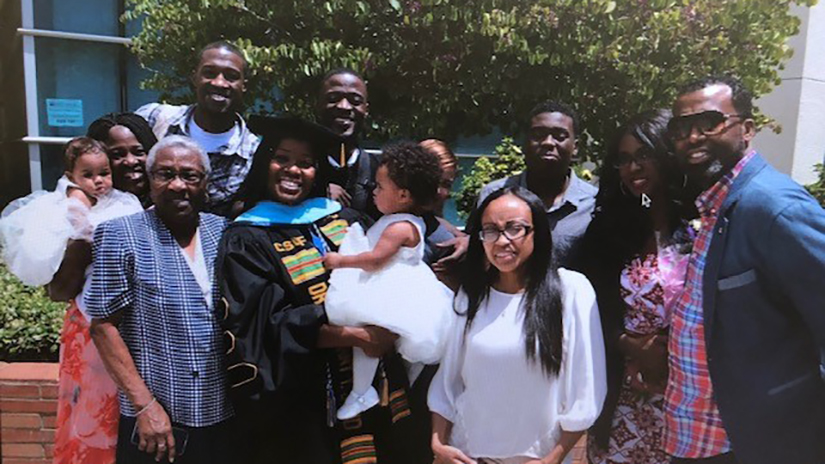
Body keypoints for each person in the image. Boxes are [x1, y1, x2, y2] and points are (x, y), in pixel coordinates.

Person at [217, 116, 427, 463]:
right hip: (308, 396)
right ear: (263, 162)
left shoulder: (346, 219)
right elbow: (262, 326)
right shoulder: (247, 238)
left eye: (305, 163)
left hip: (378, 381)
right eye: (282, 158)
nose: (293, 170)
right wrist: (357, 336)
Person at [665, 75, 825, 464]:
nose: (693, 136)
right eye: (682, 128)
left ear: (748, 129)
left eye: (709, 123)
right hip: (696, 439)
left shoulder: (774, 208)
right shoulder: (718, 205)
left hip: (753, 444)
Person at [428, 186, 606, 464]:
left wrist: (554, 458)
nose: (501, 241)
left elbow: (586, 389)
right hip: (469, 455)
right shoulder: (472, 295)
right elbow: (448, 382)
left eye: (515, 229)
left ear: (538, 233)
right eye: (490, 230)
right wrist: (439, 444)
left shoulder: (571, 291)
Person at [86, 136, 233, 464]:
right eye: (165, 174)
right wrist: (145, 406)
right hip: (158, 420)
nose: (178, 185)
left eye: (190, 176)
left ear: (205, 183)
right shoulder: (120, 234)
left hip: (223, 414)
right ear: (149, 181)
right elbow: (103, 326)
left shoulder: (224, 232)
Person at [0, 137, 144, 464]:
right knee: (87, 407)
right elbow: (59, 278)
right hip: (88, 321)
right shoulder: (69, 206)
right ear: (71, 175)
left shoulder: (123, 203)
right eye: (88, 175)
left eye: (104, 173)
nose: (99, 181)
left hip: (122, 323)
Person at [582, 110, 695, 464]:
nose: (633, 168)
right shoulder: (607, 232)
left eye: (644, 155)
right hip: (624, 396)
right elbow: (588, 309)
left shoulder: (700, 226)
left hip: (688, 392)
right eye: (625, 160)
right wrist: (631, 346)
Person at [323, 141, 455, 420]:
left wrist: (340, 261)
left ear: (403, 195)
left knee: (374, 334)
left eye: (380, 187)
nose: (373, 191)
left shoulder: (400, 227)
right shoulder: (401, 220)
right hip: (389, 286)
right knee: (372, 339)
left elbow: (374, 260)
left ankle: (363, 392)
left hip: (394, 291)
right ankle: (364, 391)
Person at [136, 41, 259, 217]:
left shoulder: (253, 154)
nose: (219, 83)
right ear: (194, 78)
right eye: (209, 73)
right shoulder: (154, 119)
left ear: (244, 85)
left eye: (231, 76)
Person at [476, 101, 597, 269]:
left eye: (559, 136)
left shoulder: (594, 203)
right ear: (525, 142)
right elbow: (475, 252)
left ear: (575, 147)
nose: (548, 142)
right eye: (538, 134)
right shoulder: (493, 195)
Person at [316, 68, 381, 218]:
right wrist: (317, 192)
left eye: (355, 101)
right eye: (333, 98)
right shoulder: (301, 168)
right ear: (318, 105)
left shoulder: (380, 171)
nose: (344, 106)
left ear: (366, 110)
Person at [87, 112, 159, 207]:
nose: (130, 161)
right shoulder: (81, 209)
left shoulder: (172, 208)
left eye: (139, 152)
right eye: (117, 155)